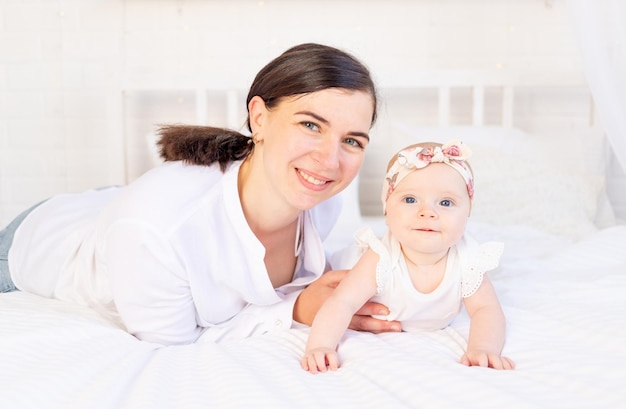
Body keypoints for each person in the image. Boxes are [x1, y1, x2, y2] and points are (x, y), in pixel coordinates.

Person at [0, 43, 402, 345]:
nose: (329, 160)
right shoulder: (154, 228)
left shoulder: (324, 194)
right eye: (311, 125)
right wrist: (295, 309)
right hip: (37, 239)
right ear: (259, 118)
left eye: (352, 140)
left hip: (123, 206)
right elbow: (170, 350)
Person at [301, 141, 515, 373]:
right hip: (343, 269)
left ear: (467, 213)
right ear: (387, 209)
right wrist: (320, 346)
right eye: (410, 200)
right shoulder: (380, 257)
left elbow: (487, 310)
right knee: (322, 273)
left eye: (445, 202)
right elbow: (342, 302)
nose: (427, 212)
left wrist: (483, 348)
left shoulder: (468, 259)